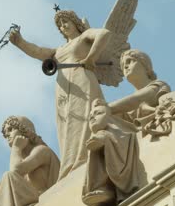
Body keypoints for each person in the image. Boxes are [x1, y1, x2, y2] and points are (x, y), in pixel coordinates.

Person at [9, 10, 111, 179]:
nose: (63, 27)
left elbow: (104, 34)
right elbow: (38, 51)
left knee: (84, 119)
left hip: (82, 81)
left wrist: (91, 58)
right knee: (67, 124)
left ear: (75, 22)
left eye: (65, 22)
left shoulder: (84, 36)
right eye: (60, 26)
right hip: (63, 90)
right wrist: (20, 42)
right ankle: (71, 163)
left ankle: (86, 158)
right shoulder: (59, 50)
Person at [82, 99, 140, 206]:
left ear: (109, 116)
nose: (93, 118)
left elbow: (125, 138)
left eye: (98, 113)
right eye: (90, 117)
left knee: (100, 139)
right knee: (94, 143)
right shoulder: (97, 135)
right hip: (100, 139)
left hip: (119, 162)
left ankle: (106, 186)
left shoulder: (120, 131)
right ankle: (99, 186)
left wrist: (105, 138)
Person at [109, 49, 171, 126]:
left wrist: (107, 108)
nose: (125, 66)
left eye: (130, 61)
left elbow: (140, 99)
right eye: (123, 65)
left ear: (145, 65)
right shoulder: (126, 110)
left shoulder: (160, 85)